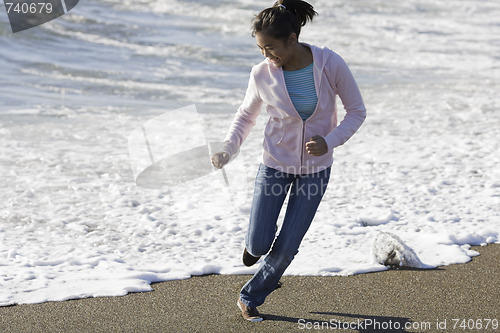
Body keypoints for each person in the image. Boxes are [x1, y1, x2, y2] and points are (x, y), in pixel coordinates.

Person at [211, 0, 366, 322]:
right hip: (274, 164)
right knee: (258, 242)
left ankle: (250, 297)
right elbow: (246, 116)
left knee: (287, 247)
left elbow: (357, 112)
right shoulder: (262, 74)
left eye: (271, 48)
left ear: (292, 39)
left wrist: (330, 141)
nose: (267, 56)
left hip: (315, 171)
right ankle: (255, 248)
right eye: (261, 49)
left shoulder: (329, 63)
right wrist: (228, 148)